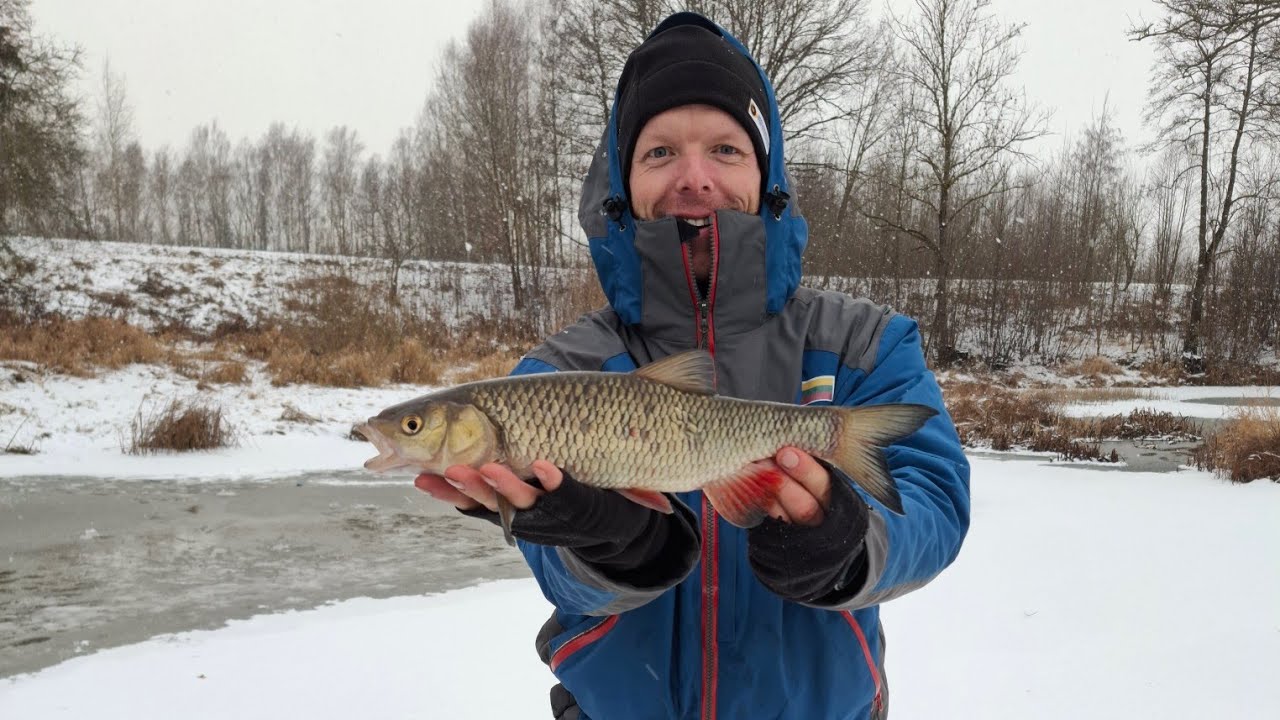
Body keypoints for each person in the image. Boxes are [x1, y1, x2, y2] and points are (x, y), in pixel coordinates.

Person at [414, 12, 970, 720]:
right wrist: (615, 548)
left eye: (726, 150)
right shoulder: (558, 368)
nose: (695, 178)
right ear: (622, 185)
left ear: (767, 177)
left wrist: (848, 545)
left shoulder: (867, 341)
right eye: (660, 153)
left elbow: (937, 507)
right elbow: (563, 581)